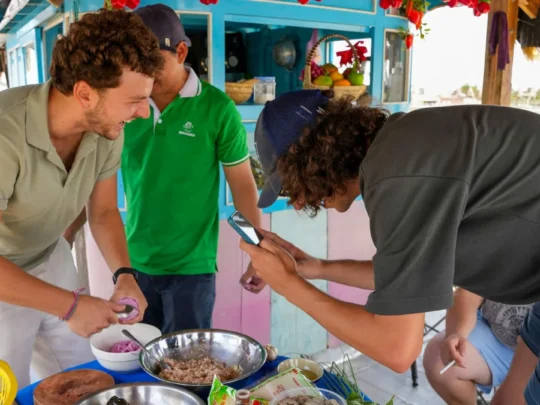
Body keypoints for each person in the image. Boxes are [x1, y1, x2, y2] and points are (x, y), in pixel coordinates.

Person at [238, 89, 540, 404]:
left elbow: (397, 348)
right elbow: (407, 278)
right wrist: (313, 268)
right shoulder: (402, 146)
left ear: (314, 160)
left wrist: (289, 284)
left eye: (291, 185)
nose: (299, 202)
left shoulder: (399, 175)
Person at [0, 9, 163, 387]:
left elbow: (103, 212)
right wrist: (69, 306)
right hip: (5, 274)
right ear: (85, 93)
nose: (142, 112)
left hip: (50, 255)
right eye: (134, 100)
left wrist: (124, 275)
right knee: (13, 386)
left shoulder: (107, 127)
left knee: (80, 377)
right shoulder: (5, 133)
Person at [118, 4, 262, 333]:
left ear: (181, 51)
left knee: (188, 368)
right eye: (136, 66)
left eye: (153, 63)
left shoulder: (217, 108)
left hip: (192, 267)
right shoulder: (128, 105)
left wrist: (257, 249)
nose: (145, 76)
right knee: (143, 360)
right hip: (134, 261)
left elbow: (241, 186)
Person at [423, 288, 532, 404]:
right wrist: (458, 333)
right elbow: (467, 294)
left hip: (534, 353)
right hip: (493, 332)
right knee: (440, 360)